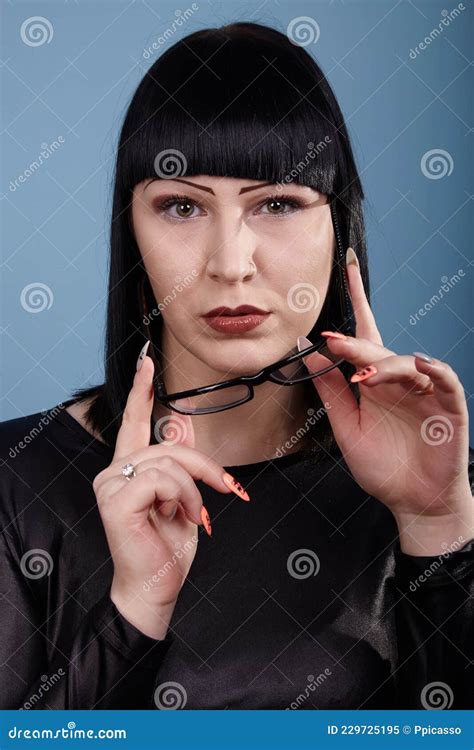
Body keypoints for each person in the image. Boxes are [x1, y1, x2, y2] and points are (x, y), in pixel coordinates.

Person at [0, 21, 472, 711]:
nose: (229, 263)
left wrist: (438, 531)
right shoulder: (17, 479)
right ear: (132, 240)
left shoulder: (441, 487)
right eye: (182, 205)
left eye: (278, 203)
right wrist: (134, 612)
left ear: (340, 231)